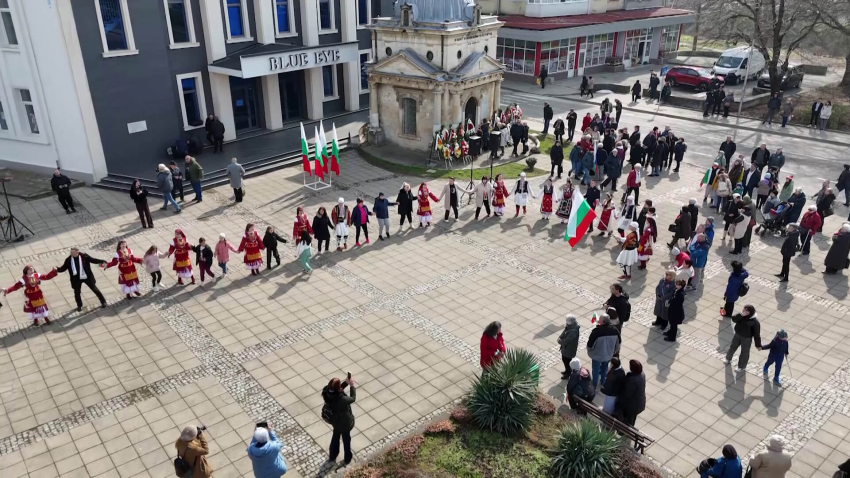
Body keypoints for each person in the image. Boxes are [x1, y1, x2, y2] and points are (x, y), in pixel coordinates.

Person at [56, 247, 107, 311]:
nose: (71, 253)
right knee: (77, 292)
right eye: (71, 252)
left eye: (72, 252)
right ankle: (79, 305)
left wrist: (102, 261)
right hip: (76, 278)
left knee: (94, 289)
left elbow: (93, 260)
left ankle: (103, 301)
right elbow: (63, 268)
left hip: (86, 276)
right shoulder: (68, 260)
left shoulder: (84, 256)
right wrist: (57, 269)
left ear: (77, 252)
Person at [724, 305, 761, 372]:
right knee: (732, 347)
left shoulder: (755, 322)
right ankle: (728, 358)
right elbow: (734, 319)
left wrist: (758, 345)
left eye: (746, 311)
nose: (744, 311)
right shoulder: (741, 316)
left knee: (744, 352)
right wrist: (740, 315)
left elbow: (756, 334)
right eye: (744, 310)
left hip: (747, 338)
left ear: (750, 312)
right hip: (737, 334)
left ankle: (741, 366)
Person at [586, 314, 620, 388]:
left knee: (595, 370)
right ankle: (603, 382)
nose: (598, 320)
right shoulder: (615, 330)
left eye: (600, 320)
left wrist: (590, 351)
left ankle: (594, 384)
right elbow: (618, 343)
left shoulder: (596, 332)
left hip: (597, 355)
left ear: (603, 322)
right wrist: (614, 351)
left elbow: (590, 345)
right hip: (608, 354)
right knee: (605, 368)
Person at [614, 359, 646, 426]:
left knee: (628, 421)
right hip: (639, 402)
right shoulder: (642, 374)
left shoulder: (632, 380)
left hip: (632, 406)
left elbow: (627, 394)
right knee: (632, 419)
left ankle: (624, 433)